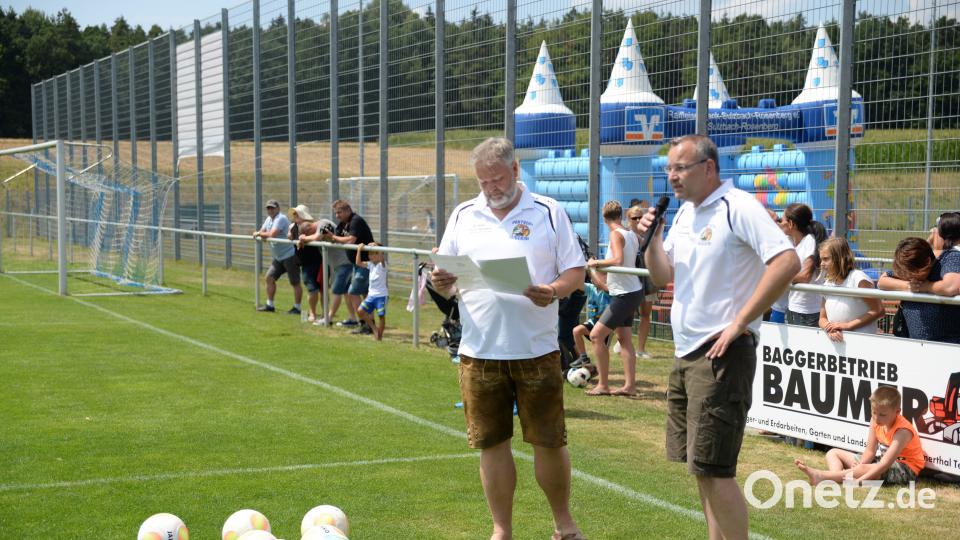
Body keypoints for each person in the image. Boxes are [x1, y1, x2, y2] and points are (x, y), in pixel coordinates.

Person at [639, 134, 799, 540]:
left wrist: (740, 321)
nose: (672, 176)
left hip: (722, 354)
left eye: (680, 168)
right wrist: (651, 240)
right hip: (687, 352)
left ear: (708, 168)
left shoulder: (738, 207)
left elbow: (787, 261)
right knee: (702, 469)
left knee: (716, 470)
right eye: (669, 169)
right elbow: (661, 276)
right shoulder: (684, 214)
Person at [430, 137, 586, 540]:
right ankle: (501, 530)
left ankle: (564, 525)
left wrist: (552, 290)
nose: (491, 188)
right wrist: (440, 280)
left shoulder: (549, 211)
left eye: (497, 179)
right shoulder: (464, 214)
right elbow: (447, 276)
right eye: (483, 182)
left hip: (537, 349)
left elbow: (575, 271)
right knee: (491, 444)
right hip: (479, 350)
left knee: (549, 442)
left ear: (516, 170)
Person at [795, 386, 926, 486]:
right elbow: (870, 450)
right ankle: (837, 477)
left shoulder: (902, 431)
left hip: (906, 469)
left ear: (897, 412)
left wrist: (859, 481)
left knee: (864, 468)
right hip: (881, 462)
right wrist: (861, 464)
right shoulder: (875, 421)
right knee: (833, 453)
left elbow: (885, 464)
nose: (876, 418)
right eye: (874, 412)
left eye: (882, 415)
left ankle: (823, 476)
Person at [585, 200, 642, 397]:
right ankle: (629, 386)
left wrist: (596, 263)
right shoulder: (631, 234)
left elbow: (618, 260)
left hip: (624, 294)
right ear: (621, 215)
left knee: (596, 336)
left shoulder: (616, 234)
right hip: (631, 291)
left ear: (604, 218)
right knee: (624, 338)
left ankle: (603, 385)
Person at [878, 232, 960, 343]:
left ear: (927, 262)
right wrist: (909, 286)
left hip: (949, 347)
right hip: (915, 346)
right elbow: (882, 281)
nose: (909, 278)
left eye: (912, 275)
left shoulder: (949, 258)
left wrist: (927, 287)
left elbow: (952, 287)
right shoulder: (908, 271)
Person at [324, 200, 376, 334]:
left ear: (348, 210)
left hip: (365, 264)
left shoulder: (356, 221)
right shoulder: (343, 224)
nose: (337, 216)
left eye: (339, 212)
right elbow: (336, 238)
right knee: (364, 294)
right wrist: (328, 236)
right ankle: (369, 324)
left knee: (353, 293)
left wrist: (334, 237)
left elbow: (351, 240)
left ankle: (365, 324)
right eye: (335, 213)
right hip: (357, 264)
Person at [817, 237, 884, 342]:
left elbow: (878, 310)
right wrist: (829, 328)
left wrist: (848, 325)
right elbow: (822, 318)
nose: (821, 263)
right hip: (838, 344)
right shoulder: (827, 283)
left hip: (862, 341)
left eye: (826, 259)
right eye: (821, 259)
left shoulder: (858, 279)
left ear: (839, 258)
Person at [254, 199, 303, 314]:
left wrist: (259, 234)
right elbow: (262, 231)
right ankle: (270, 305)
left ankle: (297, 308)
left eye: (272, 208)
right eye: (268, 208)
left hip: (290, 255)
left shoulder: (281, 218)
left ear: (278, 209)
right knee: (269, 278)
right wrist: (260, 233)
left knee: (295, 282)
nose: (270, 210)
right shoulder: (268, 219)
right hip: (278, 257)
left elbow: (272, 234)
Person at [780, 203, 823, 327]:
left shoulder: (809, 241)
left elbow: (805, 276)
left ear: (791, 224)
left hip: (807, 311)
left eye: (782, 220)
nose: (780, 224)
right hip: (794, 307)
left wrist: (779, 278)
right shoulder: (794, 242)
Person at [627, 203, 656, 359]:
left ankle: (641, 349)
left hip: (647, 280)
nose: (638, 220)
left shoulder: (650, 234)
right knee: (626, 313)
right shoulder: (625, 235)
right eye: (634, 218)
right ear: (628, 220)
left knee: (645, 314)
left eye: (640, 217)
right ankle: (623, 342)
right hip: (630, 279)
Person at [571, 269, 610, 368]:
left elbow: (602, 285)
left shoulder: (608, 290)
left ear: (606, 277)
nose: (593, 279)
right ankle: (583, 358)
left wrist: (591, 269)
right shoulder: (591, 288)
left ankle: (600, 368)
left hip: (605, 325)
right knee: (576, 331)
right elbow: (577, 283)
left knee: (600, 350)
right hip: (593, 322)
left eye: (596, 276)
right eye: (592, 276)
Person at [289, 204, 322, 322]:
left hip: (316, 261)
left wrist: (303, 239)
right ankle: (313, 314)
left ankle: (323, 314)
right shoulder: (293, 227)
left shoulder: (311, 226)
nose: (294, 216)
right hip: (305, 263)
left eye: (297, 214)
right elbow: (290, 236)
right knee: (312, 289)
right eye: (294, 214)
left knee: (320, 289)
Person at [354, 242, 388, 340]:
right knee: (360, 311)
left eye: (374, 253)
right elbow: (358, 263)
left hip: (381, 296)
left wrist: (376, 246)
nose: (371, 256)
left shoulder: (383, 265)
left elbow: (382, 257)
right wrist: (359, 250)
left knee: (381, 316)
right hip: (371, 296)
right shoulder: (370, 264)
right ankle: (374, 329)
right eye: (370, 254)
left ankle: (379, 337)